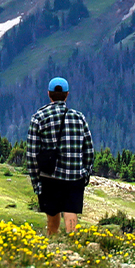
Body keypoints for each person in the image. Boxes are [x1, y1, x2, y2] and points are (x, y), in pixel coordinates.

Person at [26, 76, 94, 236]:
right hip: (74, 176)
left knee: (52, 218)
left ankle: (54, 248)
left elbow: (32, 154)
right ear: (67, 95)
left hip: (50, 177)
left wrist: (36, 182)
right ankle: (72, 245)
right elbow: (89, 150)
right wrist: (85, 173)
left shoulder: (39, 117)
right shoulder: (79, 118)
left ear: (49, 94)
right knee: (71, 211)